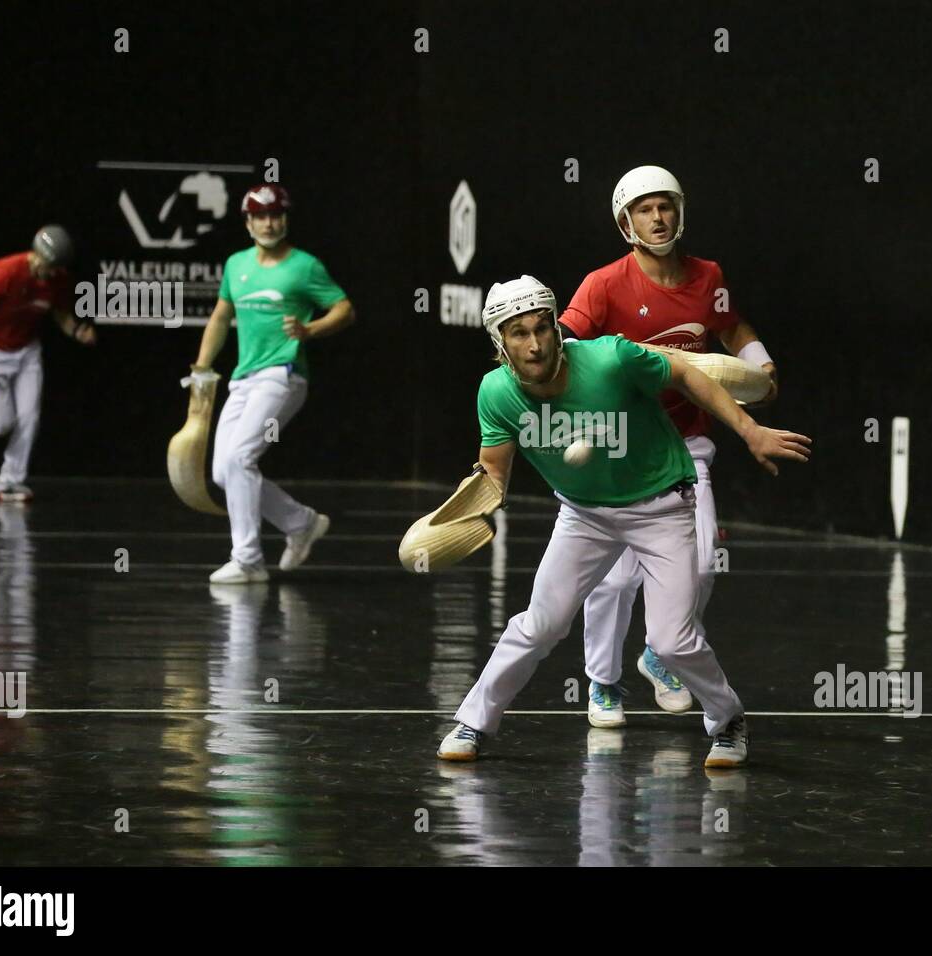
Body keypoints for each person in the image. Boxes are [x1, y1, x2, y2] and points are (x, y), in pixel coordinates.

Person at [437, 275, 810, 768]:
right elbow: (494, 475)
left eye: (541, 328)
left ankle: (728, 720)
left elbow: (686, 374)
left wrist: (749, 430)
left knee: (673, 641)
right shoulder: (497, 393)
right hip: (584, 514)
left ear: (555, 327)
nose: (534, 344)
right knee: (540, 624)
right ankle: (473, 723)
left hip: (661, 506)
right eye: (518, 333)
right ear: (500, 343)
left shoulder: (610, 359)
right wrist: (463, 512)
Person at [558, 165, 780, 727]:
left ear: (679, 211)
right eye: (644, 209)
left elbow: (731, 327)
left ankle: (662, 654)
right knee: (614, 579)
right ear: (625, 221)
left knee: (703, 563)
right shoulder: (603, 284)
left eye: (666, 206)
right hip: (618, 448)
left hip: (685, 447)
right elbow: (565, 350)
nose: (658, 218)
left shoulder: (708, 277)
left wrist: (760, 364)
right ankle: (603, 682)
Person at [191, 184, 354, 583]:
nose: (268, 222)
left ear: (285, 219)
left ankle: (247, 560)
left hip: (283, 375)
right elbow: (219, 317)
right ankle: (301, 523)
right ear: (248, 222)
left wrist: (309, 330)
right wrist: (201, 367)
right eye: (260, 216)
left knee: (239, 458)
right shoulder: (236, 265)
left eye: (275, 215)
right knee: (223, 472)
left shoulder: (305, 266)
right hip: (243, 378)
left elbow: (345, 309)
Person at [0, 226, 96, 502]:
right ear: (36, 255)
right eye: (50, 266)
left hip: (27, 354)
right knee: (0, 423)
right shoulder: (4, 272)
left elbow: (61, 314)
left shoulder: (58, 280)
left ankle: (9, 483)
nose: (52, 273)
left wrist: (77, 332)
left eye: (57, 268)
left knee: (29, 417)